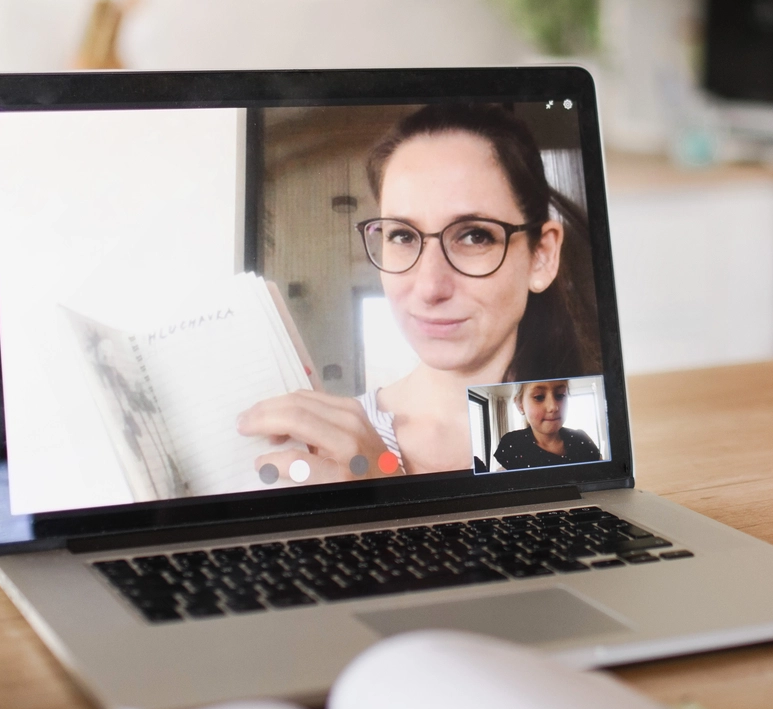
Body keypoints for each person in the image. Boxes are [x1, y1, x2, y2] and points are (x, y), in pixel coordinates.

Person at [238, 103, 599, 483]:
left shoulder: (589, 426)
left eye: (474, 235)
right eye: (402, 236)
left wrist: (386, 492)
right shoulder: (324, 449)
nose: (429, 287)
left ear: (541, 256)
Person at [493, 378, 603, 469]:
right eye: (539, 397)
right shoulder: (512, 444)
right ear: (520, 405)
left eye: (560, 395)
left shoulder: (582, 440)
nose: (553, 407)